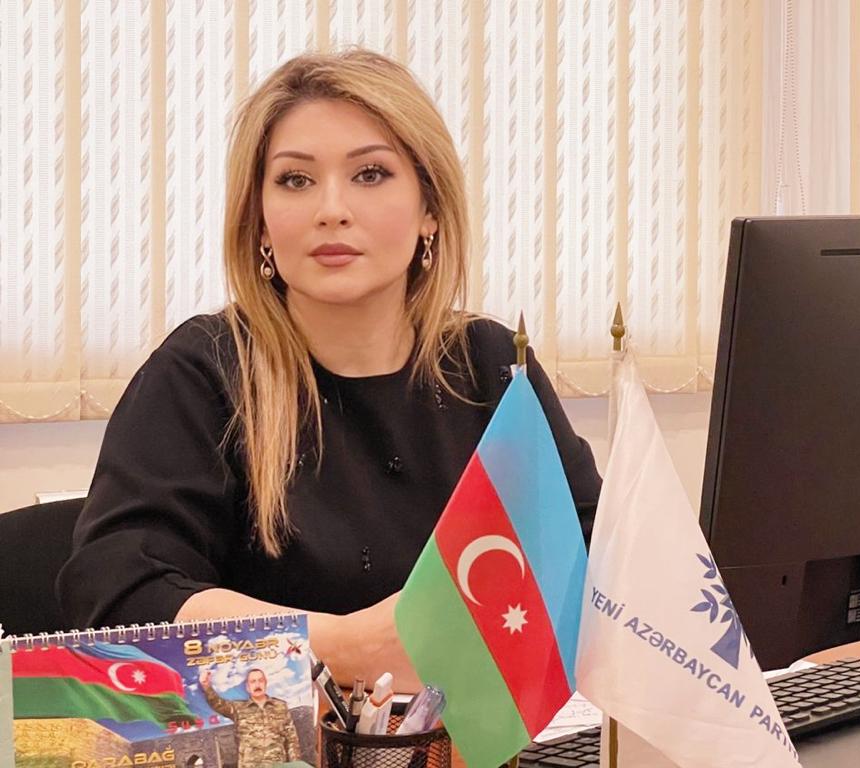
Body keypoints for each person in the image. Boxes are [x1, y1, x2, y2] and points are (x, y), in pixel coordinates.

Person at [57, 49, 601, 693]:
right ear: (260, 222)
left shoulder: (490, 363)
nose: (331, 209)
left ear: (429, 209)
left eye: (371, 173)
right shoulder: (202, 372)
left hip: (475, 731)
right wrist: (341, 649)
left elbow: (593, 551)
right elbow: (120, 590)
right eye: (295, 180)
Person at [199, 668, 301, 767]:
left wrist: (295, 764)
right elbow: (218, 704)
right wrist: (206, 686)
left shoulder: (280, 706)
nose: (257, 684)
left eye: (260, 681)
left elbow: (292, 740)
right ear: (247, 687)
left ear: (265, 683)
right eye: (253, 681)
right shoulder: (238, 708)